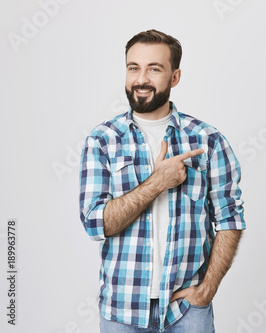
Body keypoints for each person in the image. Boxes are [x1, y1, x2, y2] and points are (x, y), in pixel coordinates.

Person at [79, 29, 245, 332]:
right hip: (121, 311)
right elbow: (95, 224)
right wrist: (157, 182)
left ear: (175, 77)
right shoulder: (103, 140)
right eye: (133, 68)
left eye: (154, 69)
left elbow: (230, 219)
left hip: (187, 312)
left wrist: (207, 289)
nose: (141, 79)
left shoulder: (207, 140)